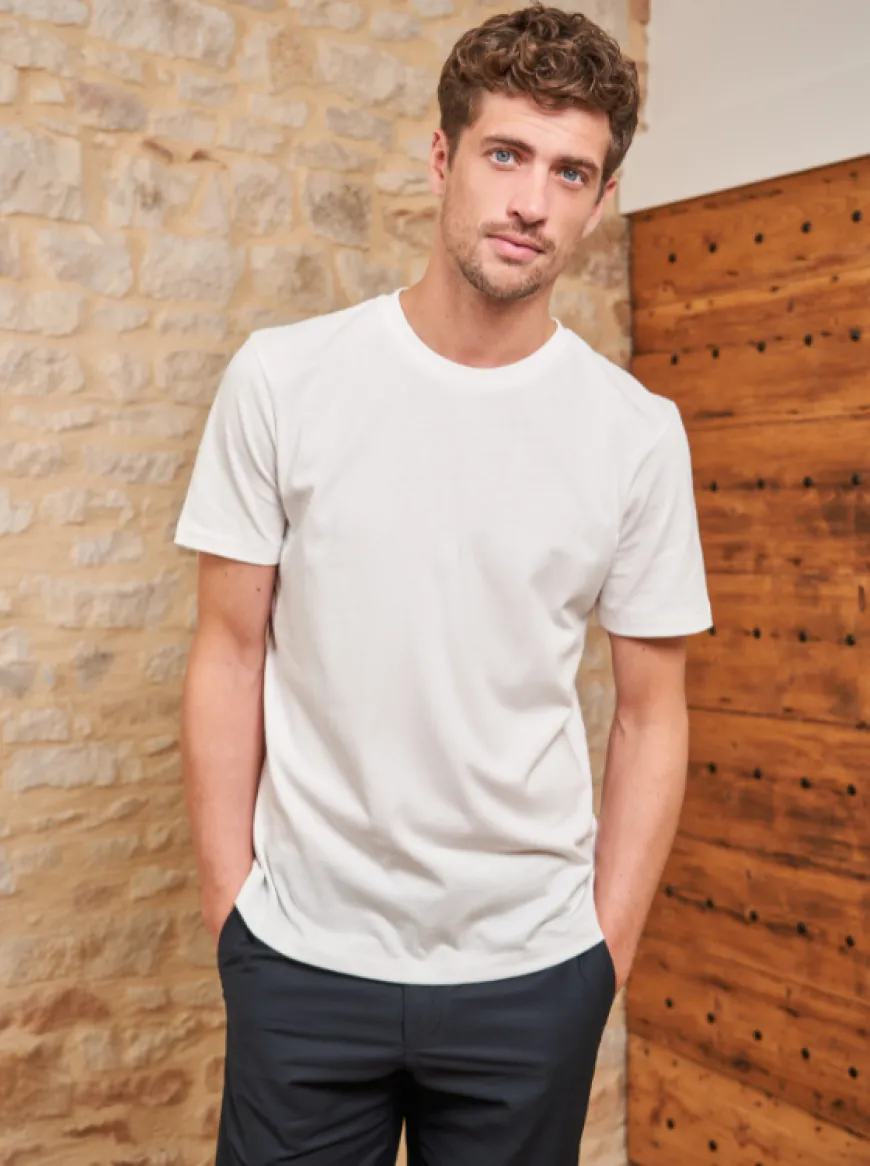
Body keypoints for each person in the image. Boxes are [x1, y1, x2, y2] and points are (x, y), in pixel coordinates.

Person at [175, 4, 713, 1163]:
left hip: (533, 975)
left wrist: (603, 954)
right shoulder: (284, 380)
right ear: (442, 157)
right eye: (505, 153)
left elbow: (653, 713)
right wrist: (236, 921)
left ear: (600, 200)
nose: (533, 201)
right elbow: (228, 651)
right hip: (301, 961)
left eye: (570, 171)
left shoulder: (635, 433)